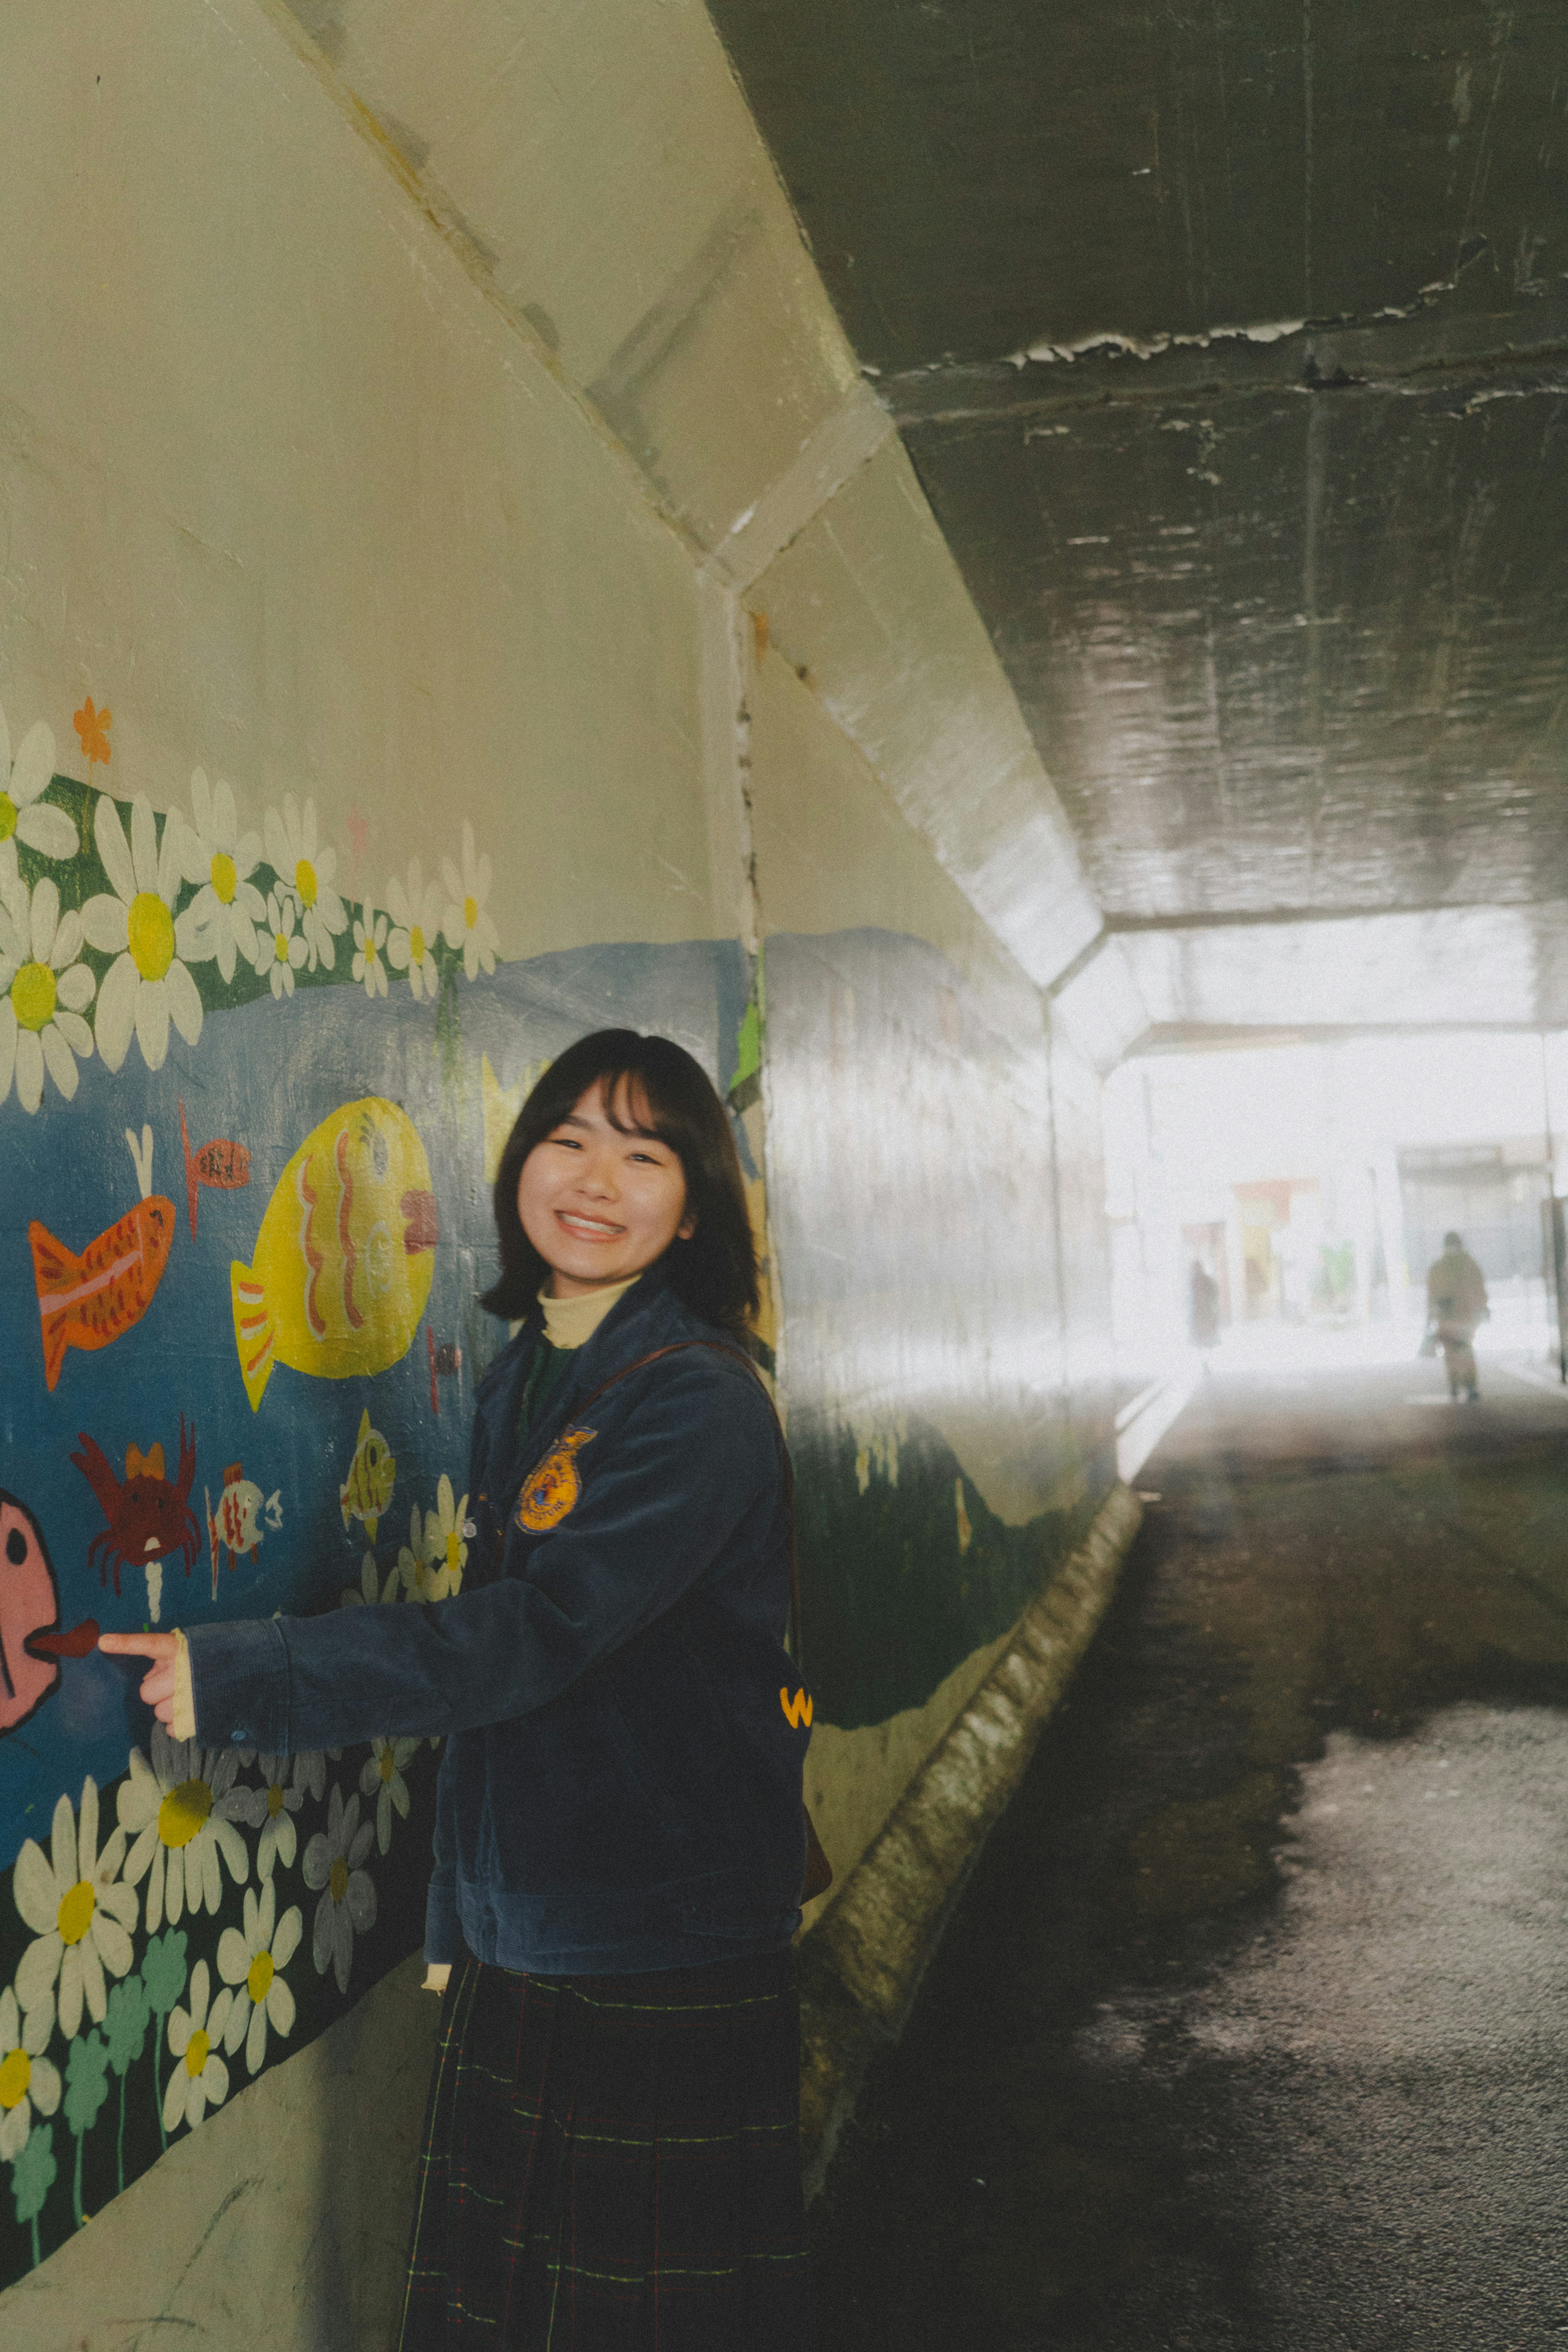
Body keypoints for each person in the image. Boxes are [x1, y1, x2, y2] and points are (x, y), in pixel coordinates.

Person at [102, 1029, 817, 2350]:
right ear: (521, 1161)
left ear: (694, 1205)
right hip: (540, 1925)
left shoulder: (696, 1403)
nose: (597, 1177)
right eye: (570, 1137)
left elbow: (526, 1639)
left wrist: (246, 1668)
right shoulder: (534, 1366)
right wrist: (460, 1909)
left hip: (656, 1934)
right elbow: (515, 1707)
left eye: (645, 1152)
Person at [1425, 1228, 1489, 1402]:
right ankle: (1469, 1386)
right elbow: (1480, 1289)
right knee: (1465, 1351)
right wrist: (1483, 1309)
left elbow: (1432, 1295)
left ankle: (1456, 1385)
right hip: (1465, 1317)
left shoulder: (1439, 1268)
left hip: (1449, 1318)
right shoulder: (1470, 1265)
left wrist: (1431, 1317)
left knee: (1452, 1353)